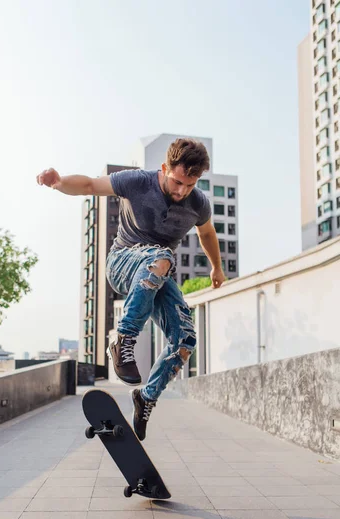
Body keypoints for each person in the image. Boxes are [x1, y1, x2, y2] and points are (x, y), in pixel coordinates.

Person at [37, 138, 225, 440]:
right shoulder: (137, 181)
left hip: (157, 274)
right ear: (165, 168)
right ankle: (123, 340)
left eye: (189, 185)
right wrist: (59, 182)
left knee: (185, 340)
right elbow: (88, 185)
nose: (181, 192)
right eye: (177, 182)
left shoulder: (197, 202)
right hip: (122, 263)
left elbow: (207, 232)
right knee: (163, 256)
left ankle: (146, 397)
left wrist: (216, 267)